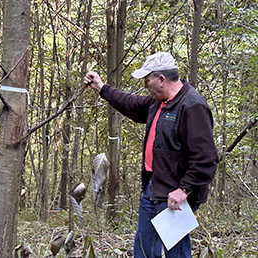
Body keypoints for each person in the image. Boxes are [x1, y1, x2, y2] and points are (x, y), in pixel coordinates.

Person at [84, 52, 218, 258]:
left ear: (161, 79)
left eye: (147, 80)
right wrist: (102, 88)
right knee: (144, 249)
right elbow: (131, 103)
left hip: (175, 194)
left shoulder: (192, 106)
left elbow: (206, 158)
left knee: (176, 252)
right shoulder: (158, 103)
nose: (146, 85)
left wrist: (184, 189)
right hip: (152, 188)